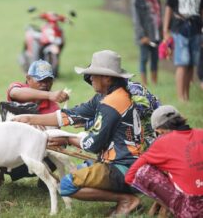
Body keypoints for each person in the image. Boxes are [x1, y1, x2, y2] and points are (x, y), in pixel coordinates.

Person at [14, 50, 143, 216]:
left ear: (108, 78)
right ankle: (126, 196)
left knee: (67, 185)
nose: (90, 79)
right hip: (126, 163)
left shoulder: (111, 103)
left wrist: (67, 139)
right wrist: (30, 119)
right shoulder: (109, 96)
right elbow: (72, 114)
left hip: (123, 167)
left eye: (93, 75)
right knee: (77, 174)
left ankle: (126, 199)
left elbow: (92, 144)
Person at [125, 105, 203, 217]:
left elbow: (130, 176)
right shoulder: (200, 133)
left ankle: (171, 209)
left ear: (160, 131)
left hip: (193, 211)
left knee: (143, 171)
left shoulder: (163, 142)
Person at [1, 59, 69, 186]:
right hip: (9, 152)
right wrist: (49, 95)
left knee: (59, 145)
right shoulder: (18, 88)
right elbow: (14, 92)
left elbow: (57, 136)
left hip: (35, 154)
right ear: (28, 78)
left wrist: (62, 140)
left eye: (48, 80)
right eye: (40, 80)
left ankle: (45, 178)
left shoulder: (53, 108)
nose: (45, 84)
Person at [163, 0, 203, 101]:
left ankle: (186, 96)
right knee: (182, 63)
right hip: (180, 28)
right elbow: (169, 8)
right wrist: (165, 30)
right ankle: (181, 97)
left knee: (191, 64)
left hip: (196, 29)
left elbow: (201, 10)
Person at [131, 0, 162, 86]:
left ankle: (154, 83)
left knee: (155, 59)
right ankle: (144, 83)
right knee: (144, 59)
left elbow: (159, 16)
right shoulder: (137, 0)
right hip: (144, 35)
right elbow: (136, 20)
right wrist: (142, 36)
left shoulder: (156, 0)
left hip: (156, 34)